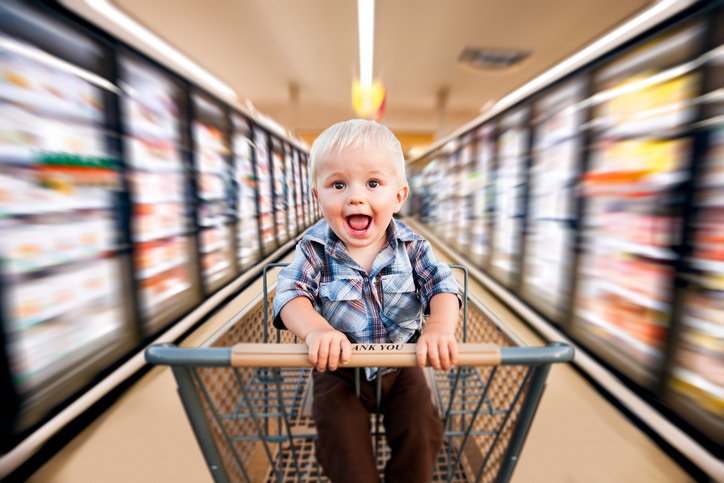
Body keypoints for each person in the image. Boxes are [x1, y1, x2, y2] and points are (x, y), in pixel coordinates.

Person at [273, 119, 461, 483]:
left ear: (398, 196)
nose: (355, 197)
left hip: (403, 364)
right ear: (317, 196)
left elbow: (443, 286)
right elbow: (290, 293)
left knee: (422, 430)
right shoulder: (314, 251)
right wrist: (316, 330)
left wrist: (438, 328)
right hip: (338, 369)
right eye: (338, 184)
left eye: (373, 183)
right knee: (339, 441)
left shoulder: (413, 248)